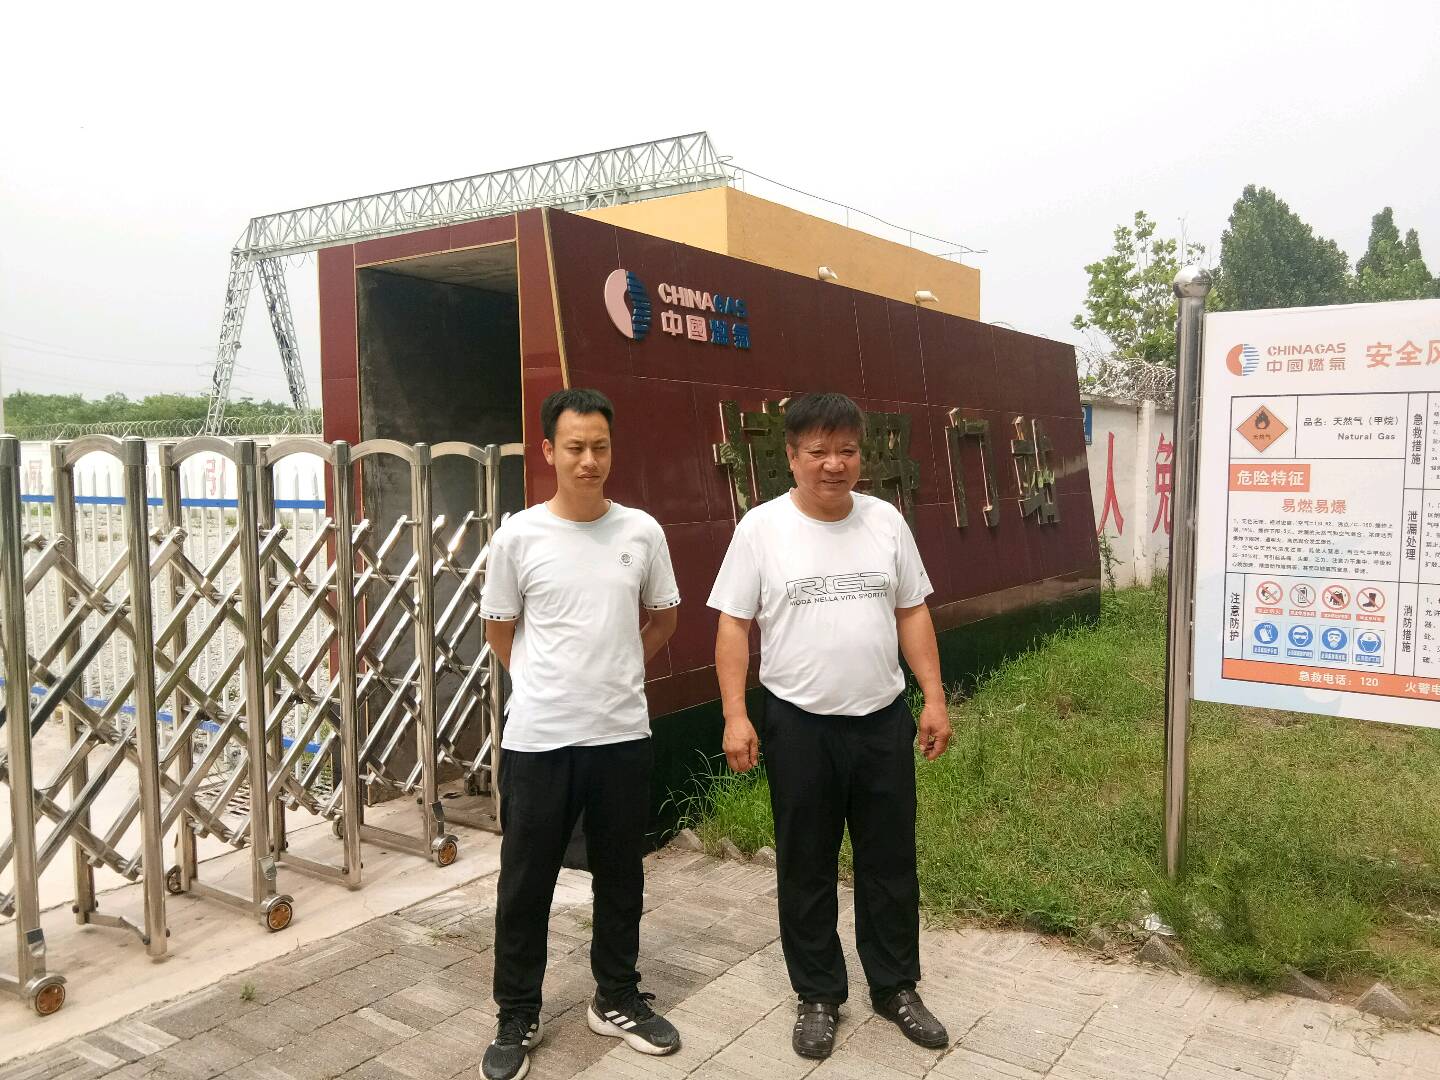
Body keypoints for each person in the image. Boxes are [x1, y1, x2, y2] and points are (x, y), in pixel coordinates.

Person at [707, 391, 953, 1060]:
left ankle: (895, 987)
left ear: (860, 456)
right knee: (806, 864)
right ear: (791, 457)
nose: (833, 464)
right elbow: (733, 626)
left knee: (890, 861)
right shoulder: (761, 529)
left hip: (881, 721)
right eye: (817, 451)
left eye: (846, 450)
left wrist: (933, 697)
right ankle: (818, 994)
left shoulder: (885, 522)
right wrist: (735, 715)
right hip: (799, 726)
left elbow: (912, 611)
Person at [479, 388, 682, 1080]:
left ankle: (616, 996)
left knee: (621, 874)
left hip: (622, 734)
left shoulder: (641, 532)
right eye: (575, 447)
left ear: (611, 451)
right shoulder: (518, 537)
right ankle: (516, 1012)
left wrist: (617, 670)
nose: (589, 460)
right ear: (549, 451)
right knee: (525, 882)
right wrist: (546, 682)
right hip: (539, 739)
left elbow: (663, 619)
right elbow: (499, 631)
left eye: (599, 446)